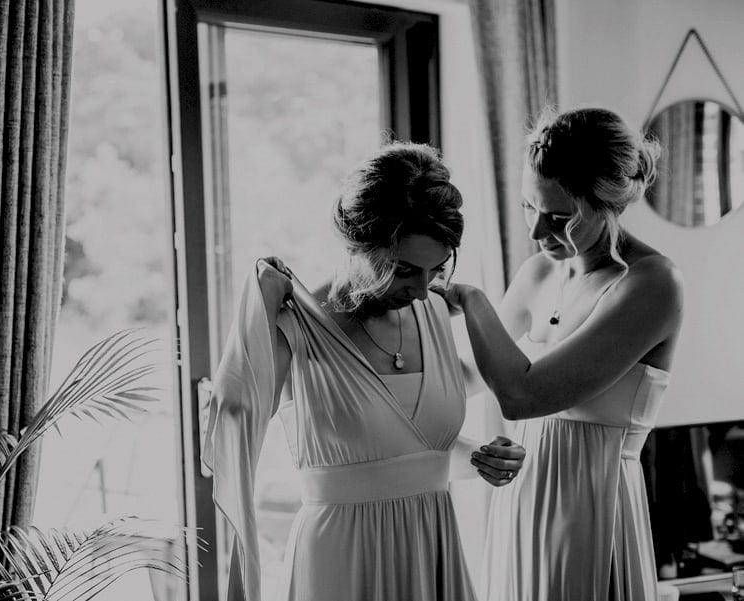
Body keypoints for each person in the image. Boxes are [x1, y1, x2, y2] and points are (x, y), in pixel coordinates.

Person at [203, 142, 526, 601]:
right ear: (357, 244)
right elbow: (231, 424)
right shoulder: (296, 326)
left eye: (435, 270)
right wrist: (255, 318)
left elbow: (404, 447)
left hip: (432, 547)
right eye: (404, 270)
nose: (420, 290)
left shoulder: (434, 312)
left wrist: (480, 457)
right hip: (339, 559)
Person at [442, 107, 684, 601]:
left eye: (559, 217)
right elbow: (466, 376)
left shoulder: (651, 284)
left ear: (608, 202)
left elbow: (522, 395)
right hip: (521, 501)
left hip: (592, 508)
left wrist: (471, 299)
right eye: (530, 207)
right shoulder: (537, 273)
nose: (536, 231)